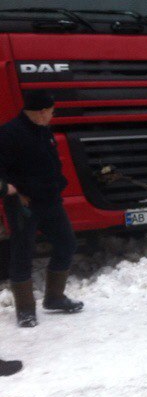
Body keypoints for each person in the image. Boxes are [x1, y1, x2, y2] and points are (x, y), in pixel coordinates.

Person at [0, 90, 82, 328]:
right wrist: (8, 190)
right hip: (24, 205)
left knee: (67, 243)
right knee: (22, 253)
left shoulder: (43, 131)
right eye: (51, 112)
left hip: (50, 201)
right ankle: (25, 311)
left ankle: (54, 298)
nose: (52, 116)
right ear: (42, 111)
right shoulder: (8, 134)